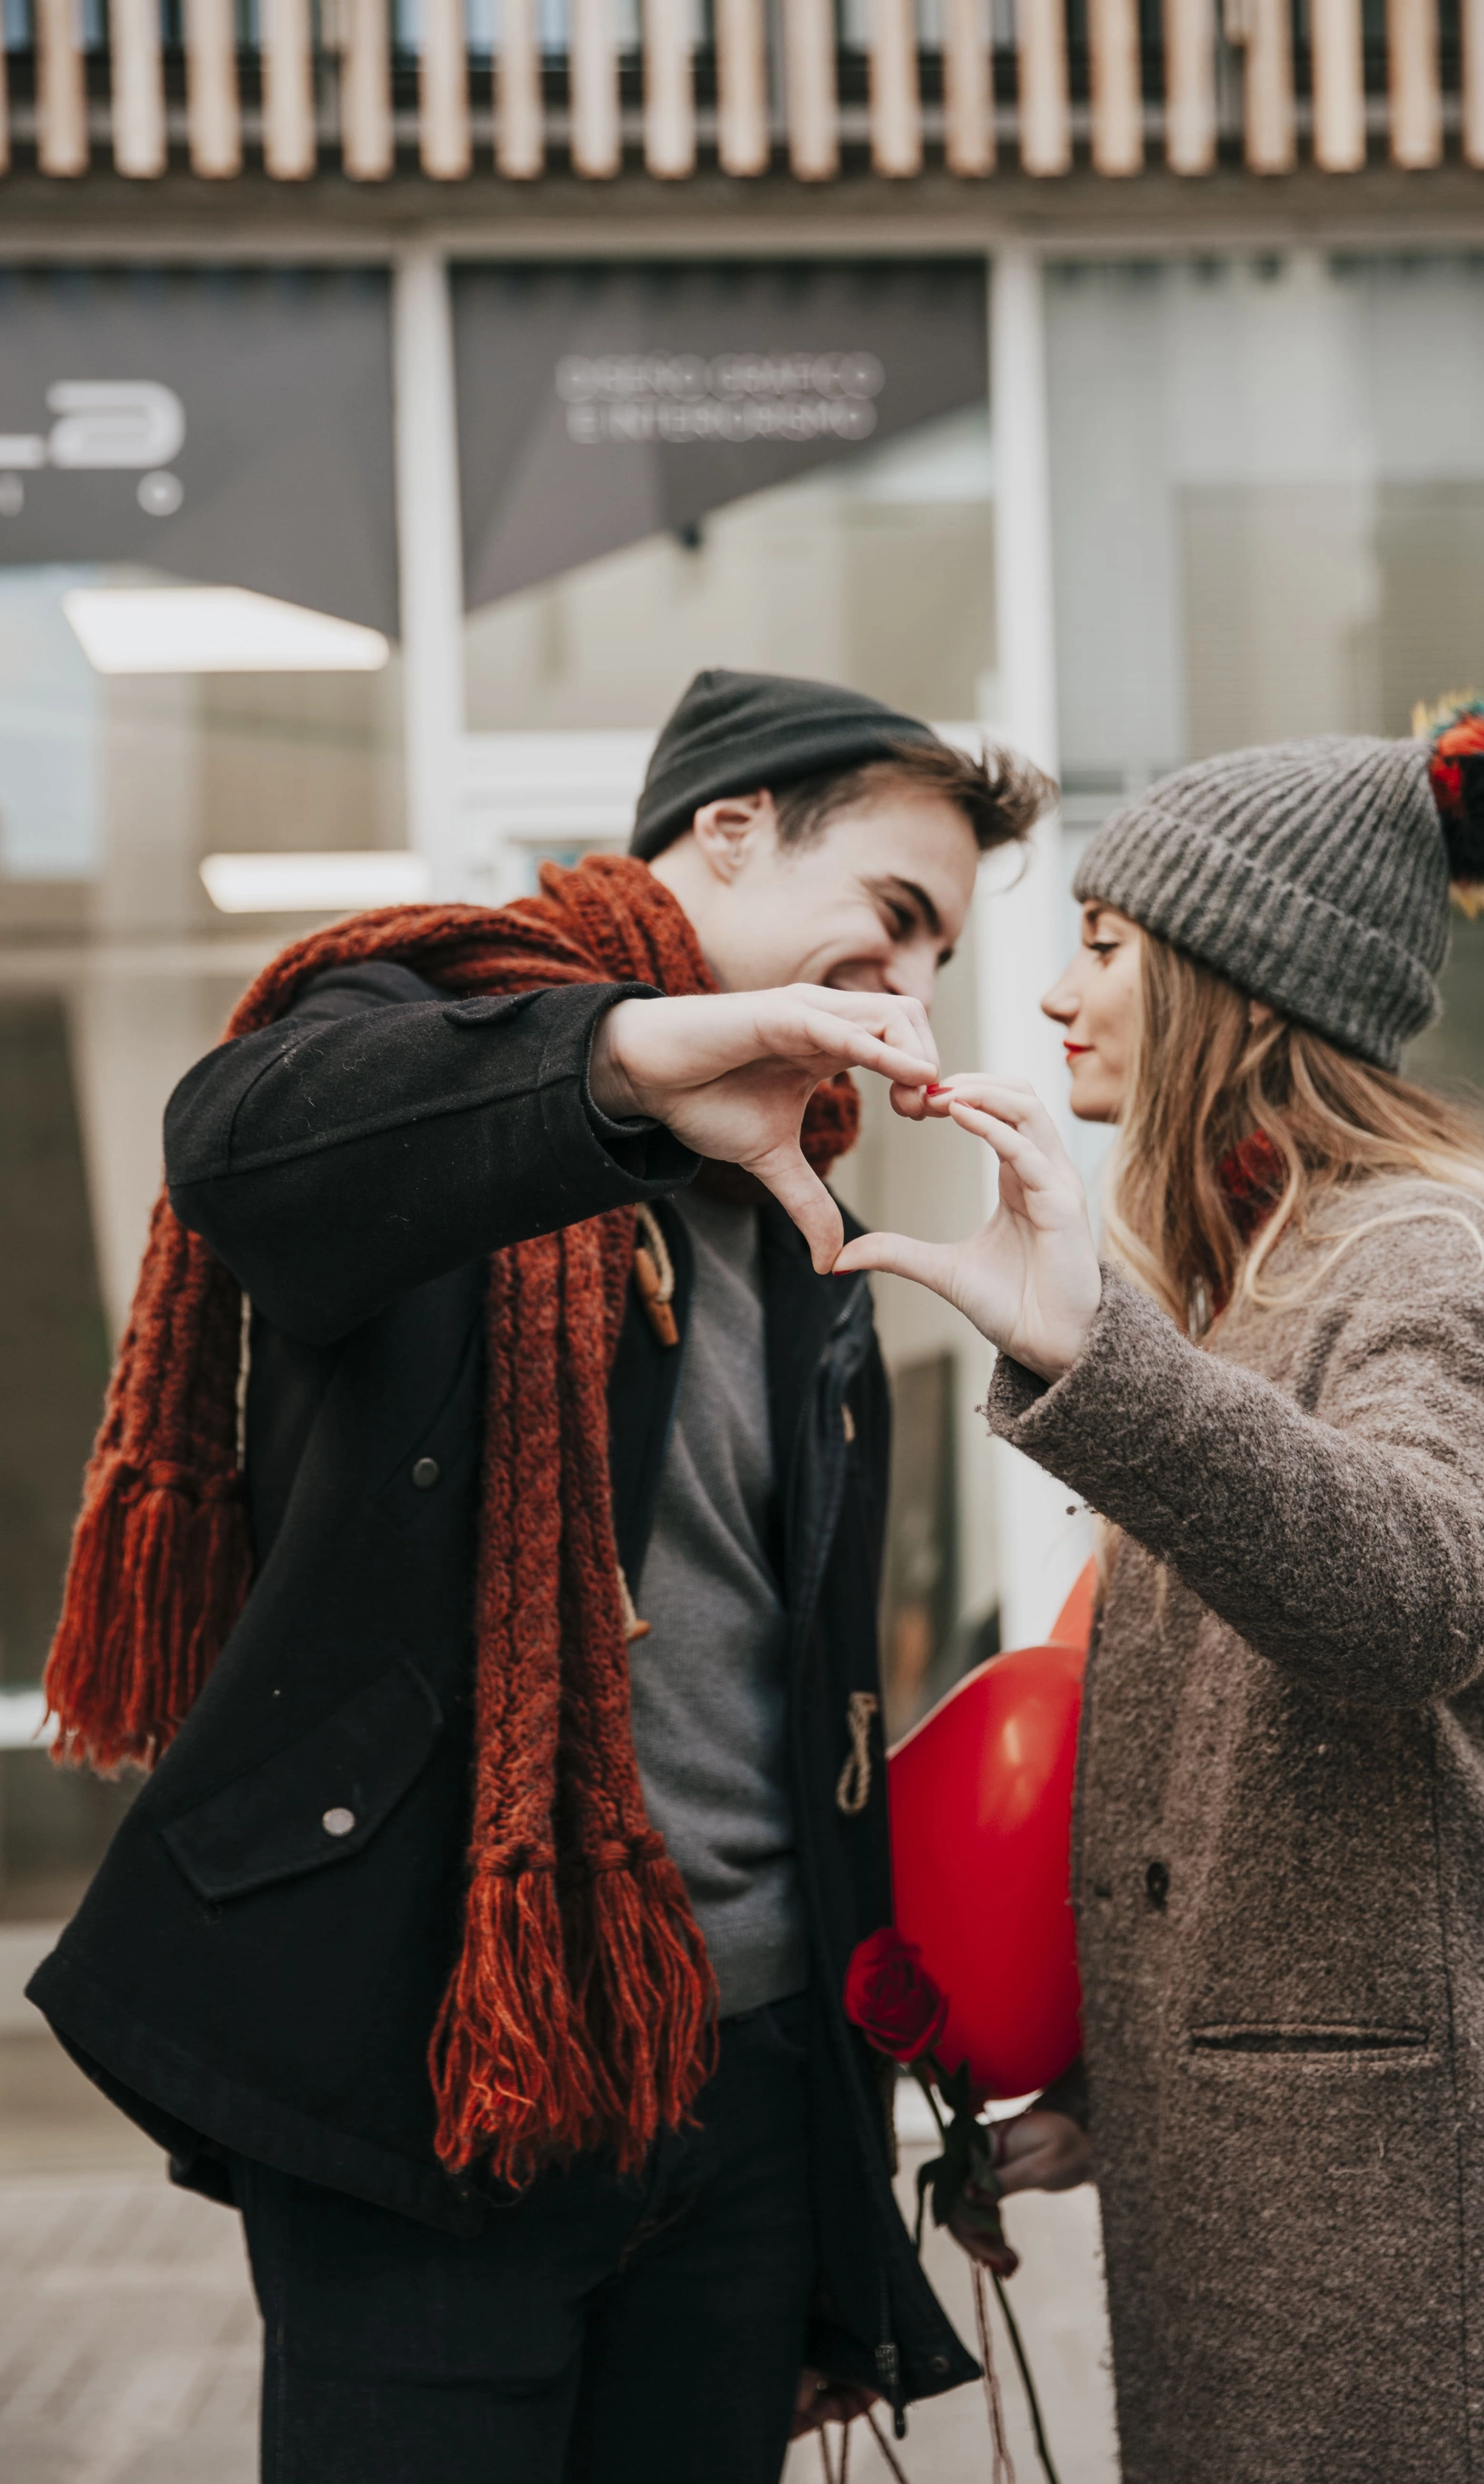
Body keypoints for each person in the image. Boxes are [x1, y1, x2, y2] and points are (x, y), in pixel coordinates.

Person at [27, 668, 1052, 2484]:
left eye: (936, 951)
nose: (908, 979)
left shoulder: (807, 1213)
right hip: (449, 2058)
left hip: (740, 2086)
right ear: (729, 826)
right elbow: (240, 1146)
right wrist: (622, 1063)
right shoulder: (436, 1031)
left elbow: (801, 1706)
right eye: (894, 913)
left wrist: (830, 2210)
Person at [840, 699, 1484, 2481]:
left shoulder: (1424, 1254)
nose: (1054, 994)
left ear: (1242, 981)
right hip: (1317, 2208)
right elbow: (1255, 1796)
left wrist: (1096, 1354)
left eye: (1103, 945)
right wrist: (1112, 2090)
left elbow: (1414, 1598)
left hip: (1418, 2254)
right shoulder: (1272, 1273)